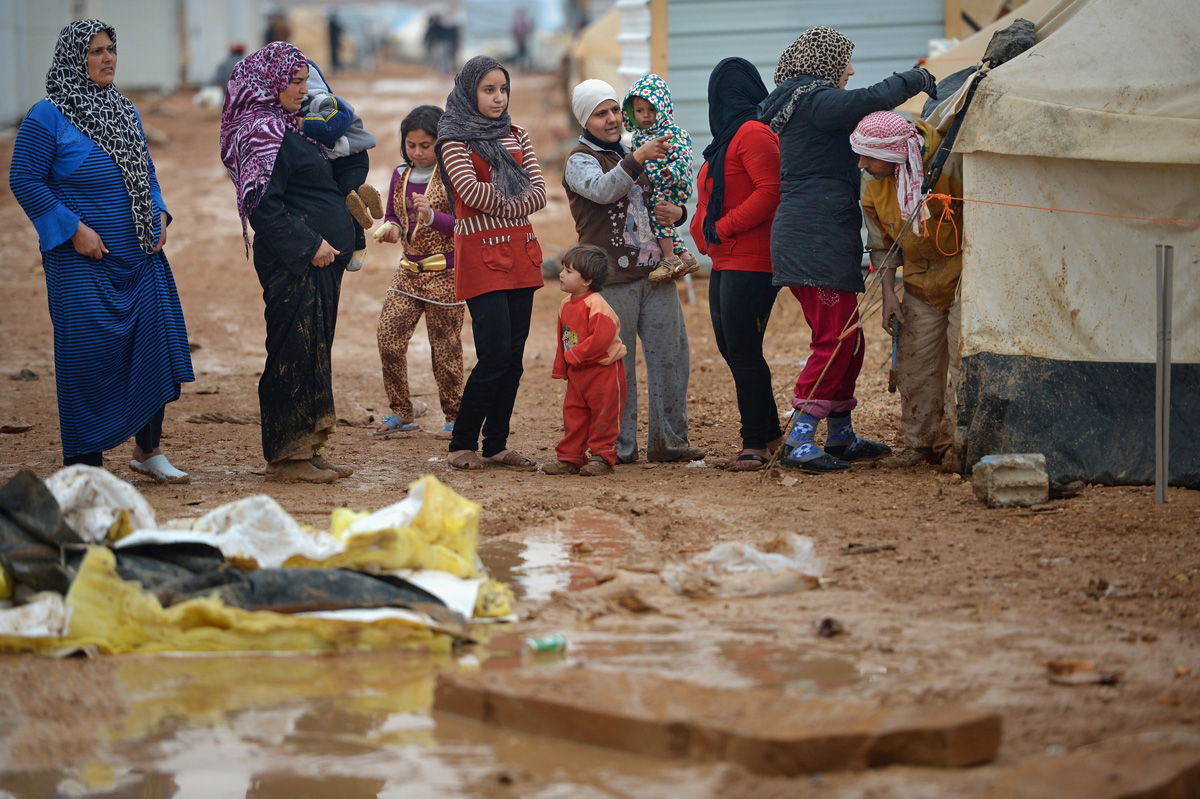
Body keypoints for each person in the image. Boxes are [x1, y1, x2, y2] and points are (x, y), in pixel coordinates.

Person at [9, 19, 194, 481]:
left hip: (140, 257)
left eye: (111, 48)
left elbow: (145, 171)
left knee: (154, 345)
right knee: (87, 356)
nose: (108, 57)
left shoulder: (124, 109)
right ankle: (85, 464)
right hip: (81, 263)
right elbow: (23, 179)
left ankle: (148, 451)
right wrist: (73, 230)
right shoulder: (46, 115)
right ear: (75, 59)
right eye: (95, 51)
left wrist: (161, 213)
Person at [758, 26, 937, 473]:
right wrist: (918, 79)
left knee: (849, 341)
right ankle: (800, 437)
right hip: (812, 239)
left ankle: (840, 435)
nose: (851, 72)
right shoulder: (813, 101)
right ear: (824, 65)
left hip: (819, 236)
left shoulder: (800, 102)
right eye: (845, 64)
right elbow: (867, 100)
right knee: (834, 341)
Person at [220, 42, 357, 483]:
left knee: (315, 346)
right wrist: (309, 244)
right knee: (291, 349)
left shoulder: (288, 126)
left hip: (319, 259)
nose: (303, 89)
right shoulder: (260, 132)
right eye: (295, 82)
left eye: (303, 81)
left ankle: (308, 447)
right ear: (269, 81)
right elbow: (264, 206)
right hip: (294, 261)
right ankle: (285, 456)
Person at [563, 79, 702, 464]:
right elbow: (603, 189)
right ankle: (618, 448)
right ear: (584, 119)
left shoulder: (632, 149)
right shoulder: (580, 159)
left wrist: (680, 213)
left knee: (671, 359)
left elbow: (662, 197)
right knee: (613, 368)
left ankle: (670, 442)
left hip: (656, 273)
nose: (611, 119)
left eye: (613, 111)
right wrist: (638, 157)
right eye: (600, 113)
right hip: (611, 281)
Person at [435, 55, 547, 470]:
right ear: (469, 91)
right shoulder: (453, 139)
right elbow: (468, 191)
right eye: (488, 90)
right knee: (495, 354)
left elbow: (541, 193)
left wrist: (506, 203)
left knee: (514, 360)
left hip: (521, 255)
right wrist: (515, 205)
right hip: (481, 260)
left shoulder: (517, 133)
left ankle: (496, 444)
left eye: (503, 89)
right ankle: (461, 444)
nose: (498, 98)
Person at [852, 110, 963, 470]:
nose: (861, 164)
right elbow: (882, 244)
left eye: (869, 156)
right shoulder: (872, 182)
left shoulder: (952, 164)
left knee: (966, 364)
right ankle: (921, 444)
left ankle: (960, 444)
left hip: (965, 278)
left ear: (895, 154)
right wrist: (888, 294)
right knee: (915, 367)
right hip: (919, 281)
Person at [690, 57, 783, 472]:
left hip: (753, 259)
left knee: (744, 350)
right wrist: (700, 232)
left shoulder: (755, 133)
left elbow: (770, 192)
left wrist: (721, 228)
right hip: (726, 258)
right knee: (733, 349)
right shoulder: (726, 140)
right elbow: (708, 199)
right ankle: (773, 435)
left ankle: (753, 445)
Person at [374, 105, 463, 441]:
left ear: (441, 143)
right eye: (411, 145)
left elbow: (466, 227)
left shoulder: (455, 174)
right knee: (388, 338)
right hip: (408, 273)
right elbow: (392, 214)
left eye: (425, 145)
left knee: (446, 351)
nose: (418, 152)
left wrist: (432, 218)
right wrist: (392, 228)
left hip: (447, 275)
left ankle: (455, 418)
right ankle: (401, 411)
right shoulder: (401, 173)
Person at [543, 245, 628, 476]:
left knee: (604, 415)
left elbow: (602, 338)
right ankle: (570, 458)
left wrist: (575, 356)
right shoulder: (565, 304)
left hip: (603, 372)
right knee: (574, 415)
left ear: (587, 280)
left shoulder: (597, 304)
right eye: (562, 269)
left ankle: (602, 457)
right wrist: (562, 366)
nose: (561, 274)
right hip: (577, 373)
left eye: (569, 271)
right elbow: (563, 339)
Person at [301, 59, 381, 272]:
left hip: (352, 159)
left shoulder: (323, 101)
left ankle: (359, 246)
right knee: (349, 199)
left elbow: (333, 126)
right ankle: (367, 199)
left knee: (346, 201)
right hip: (340, 162)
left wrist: (305, 123)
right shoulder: (290, 108)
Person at [622, 74, 699, 283]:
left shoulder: (674, 133)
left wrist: (672, 172)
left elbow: (684, 157)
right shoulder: (638, 137)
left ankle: (669, 258)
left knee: (659, 211)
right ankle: (685, 256)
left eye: (652, 110)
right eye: (639, 111)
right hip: (656, 184)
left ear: (663, 109)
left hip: (672, 182)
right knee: (660, 220)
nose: (646, 116)